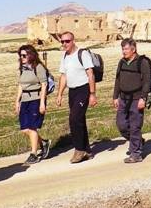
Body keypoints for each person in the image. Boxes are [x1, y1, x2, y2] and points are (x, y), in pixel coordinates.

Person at [55, 31, 97, 163]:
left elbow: (90, 74)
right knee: (79, 120)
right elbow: (63, 76)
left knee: (74, 119)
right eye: (62, 41)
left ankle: (79, 150)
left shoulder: (82, 54)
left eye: (67, 41)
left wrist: (92, 94)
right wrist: (60, 94)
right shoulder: (64, 56)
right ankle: (87, 150)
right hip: (72, 91)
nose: (64, 44)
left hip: (83, 90)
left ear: (73, 41)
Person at [112, 38, 151, 162]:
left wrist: (143, 98)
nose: (123, 51)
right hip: (123, 99)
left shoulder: (142, 62)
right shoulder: (122, 62)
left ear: (133, 49)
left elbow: (147, 82)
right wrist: (115, 97)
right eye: (122, 49)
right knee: (121, 125)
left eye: (126, 49)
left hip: (136, 99)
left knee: (135, 127)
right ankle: (137, 141)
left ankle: (136, 154)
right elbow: (118, 80)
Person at [14, 45, 51, 165]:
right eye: (20, 55)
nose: (22, 57)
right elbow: (21, 85)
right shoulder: (23, 68)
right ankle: (44, 143)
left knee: (32, 127)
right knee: (25, 129)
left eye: (24, 55)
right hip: (25, 100)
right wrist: (17, 101)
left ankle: (33, 154)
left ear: (31, 55)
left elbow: (44, 85)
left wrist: (42, 103)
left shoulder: (38, 67)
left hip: (36, 99)